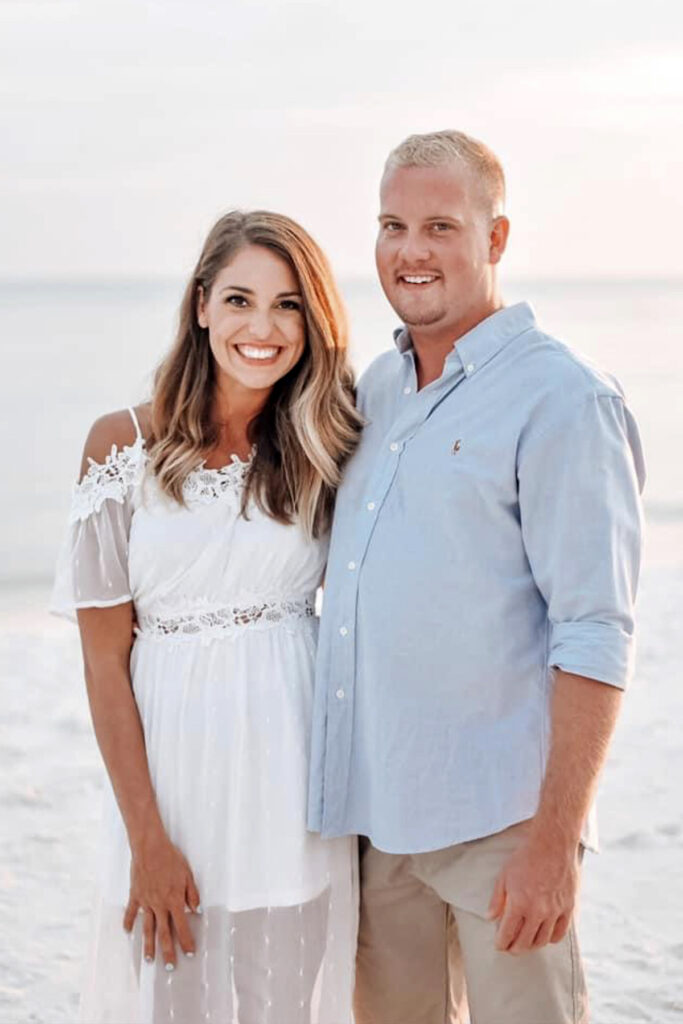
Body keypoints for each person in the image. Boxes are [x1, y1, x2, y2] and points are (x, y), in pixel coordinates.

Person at [308, 130, 645, 1024]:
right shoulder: (374, 391)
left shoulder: (563, 398)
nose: (411, 251)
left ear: (494, 239)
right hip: (379, 824)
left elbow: (594, 630)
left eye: (440, 227)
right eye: (392, 224)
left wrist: (552, 841)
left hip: (502, 828)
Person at [51, 210, 363, 1024]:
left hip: (295, 780)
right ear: (200, 306)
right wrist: (147, 839)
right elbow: (102, 665)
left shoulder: (326, 440)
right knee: (177, 999)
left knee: (286, 1001)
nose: (263, 328)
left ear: (315, 319)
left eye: (289, 305)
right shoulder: (120, 444)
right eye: (239, 300)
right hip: (176, 786)